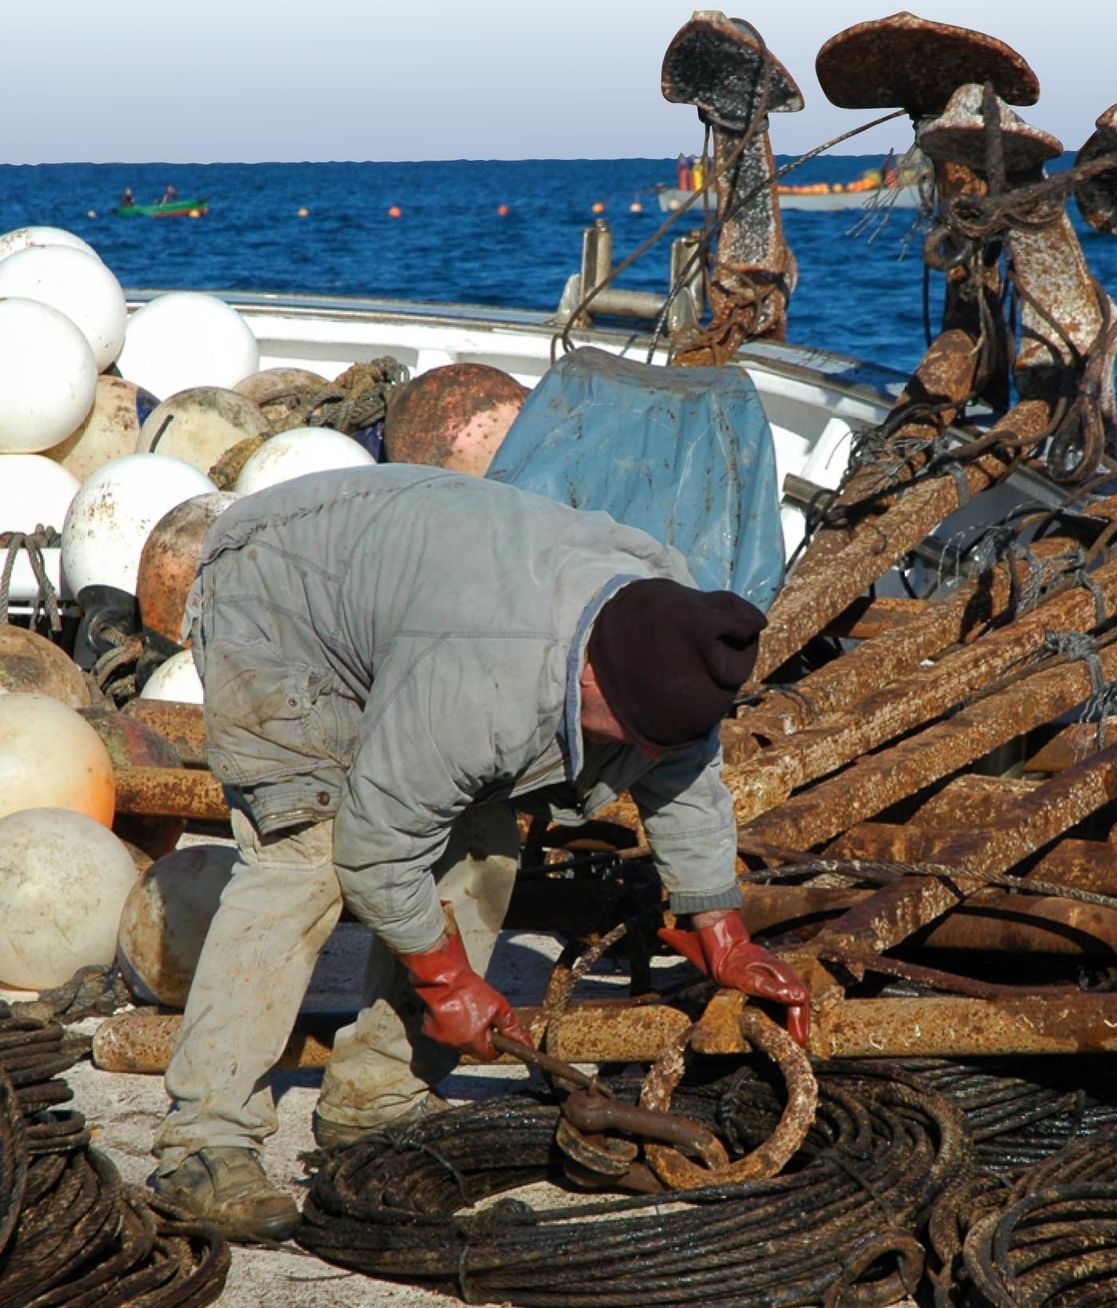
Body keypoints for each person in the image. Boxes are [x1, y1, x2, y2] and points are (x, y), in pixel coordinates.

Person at [151, 464, 809, 1242]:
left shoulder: (674, 624)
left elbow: (684, 770)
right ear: (589, 678)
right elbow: (376, 845)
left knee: (485, 842)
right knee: (308, 854)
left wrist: (720, 928)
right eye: (621, 739)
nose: (632, 755)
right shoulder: (485, 675)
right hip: (284, 589)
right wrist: (445, 977)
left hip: (416, 590)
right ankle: (203, 1144)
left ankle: (377, 1093)